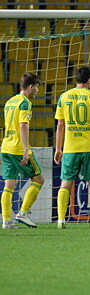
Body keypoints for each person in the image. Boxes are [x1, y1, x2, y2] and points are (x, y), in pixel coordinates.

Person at [54, 66, 90, 229]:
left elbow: (60, 125)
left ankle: (61, 220)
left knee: (65, 184)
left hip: (70, 147)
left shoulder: (64, 97)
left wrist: (58, 148)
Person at [1, 73, 44, 229]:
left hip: (6, 147)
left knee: (9, 185)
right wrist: (26, 149)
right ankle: (22, 213)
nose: (37, 91)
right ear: (31, 87)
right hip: (18, 149)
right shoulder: (25, 103)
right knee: (39, 180)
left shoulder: (10, 102)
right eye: (37, 87)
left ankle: (6, 221)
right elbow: (23, 125)